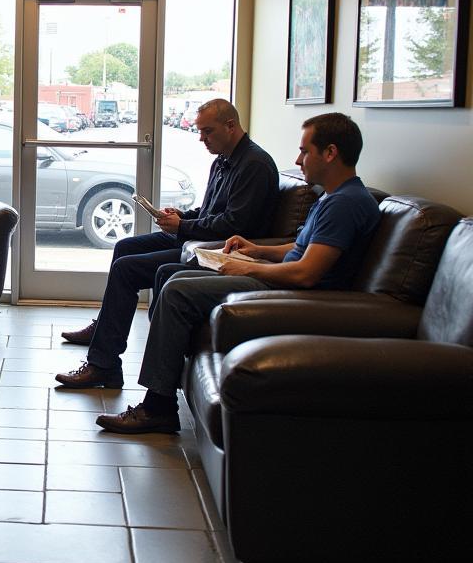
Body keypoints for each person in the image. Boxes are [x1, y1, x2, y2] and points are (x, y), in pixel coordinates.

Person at [96, 112, 381, 434]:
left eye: (305, 151)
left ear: (330, 153)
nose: (298, 160)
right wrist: (257, 250)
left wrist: (244, 266)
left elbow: (306, 273)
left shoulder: (346, 203)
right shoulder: (334, 196)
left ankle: (158, 407)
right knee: (172, 276)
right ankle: (155, 383)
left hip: (297, 292)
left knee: (176, 291)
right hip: (279, 273)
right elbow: (302, 248)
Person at [56, 98, 279, 388]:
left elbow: (235, 227)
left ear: (231, 125)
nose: (201, 139)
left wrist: (184, 226)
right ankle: (105, 328)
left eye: (207, 132)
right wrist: (182, 217)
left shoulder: (254, 165)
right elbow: (210, 212)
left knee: (126, 269)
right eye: (199, 131)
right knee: (126, 247)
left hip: (215, 252)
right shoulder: (223, 161)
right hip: (198, 240)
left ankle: (104, 364)